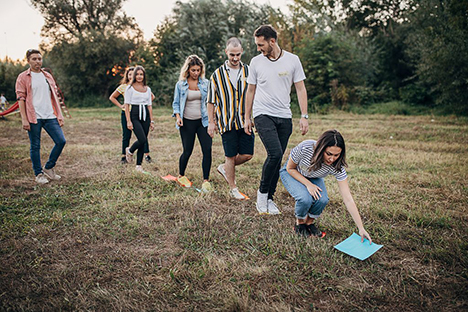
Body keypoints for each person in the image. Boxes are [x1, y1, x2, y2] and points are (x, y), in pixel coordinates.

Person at [244, 25, 310, 214]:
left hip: (284, 116)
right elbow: (250, 91)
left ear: (272, 41)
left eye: (261, 44)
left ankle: (270, 198)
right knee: (274, 153)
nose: (258, 48)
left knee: (278, 157)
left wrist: (304, 115)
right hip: (262, 113)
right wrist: (247, 117)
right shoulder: (256, 62)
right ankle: (262, 195)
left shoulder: (292, 60)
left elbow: (300, 88)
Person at [280, 130, 372, 242]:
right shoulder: (305, 147)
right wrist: (308, 185)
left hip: (313, 176)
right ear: (321, 148)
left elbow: (348, 199)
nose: (332, 159)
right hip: (293, 172)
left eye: (336, 155)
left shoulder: (337, 166)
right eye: (329, 154)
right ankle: (300, 224)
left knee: (322, 199)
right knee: (305, 198)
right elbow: (290, 168)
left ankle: (309, 223)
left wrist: (361, 228)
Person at [207, 37, 253, 200]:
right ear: (226, 52)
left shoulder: (249, 71)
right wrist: (211, 123)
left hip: (245, 121)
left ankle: (225, 168)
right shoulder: (217, 75)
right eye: (232, 55)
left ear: (242, 53)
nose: (235, 58)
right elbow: (211, 101)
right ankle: (233, 188)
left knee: (247, 154)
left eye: (238, 55)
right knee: (230, 155)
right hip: (226, 122)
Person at [15, 49, 66, 184]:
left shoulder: (47, 76)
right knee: (35, 146)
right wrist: (24, 119)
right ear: (28, 61)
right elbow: (21, 98)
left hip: (50, 115)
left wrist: (58, 114)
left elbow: (54, 96)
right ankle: (38, 174)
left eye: (39, 58)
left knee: (61, 141)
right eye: (34, 59)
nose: (37, 61)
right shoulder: (23, 77)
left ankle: (49, 167)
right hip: (34, 116)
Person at [172, 55, 212, 192]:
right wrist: (178, 117)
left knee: (207, 150)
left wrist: (213, 121)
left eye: (198, 70)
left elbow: (211, 102)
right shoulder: (180, 84)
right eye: (193, 70)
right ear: (188, 70)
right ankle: (181, 175)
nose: (196, 73)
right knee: (187, 151)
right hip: (187, 122)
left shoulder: (206, 83)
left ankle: (206, 180)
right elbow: (176, 103)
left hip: (203, 122)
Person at [109, 67, 153, 164]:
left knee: (143, 137)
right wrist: (121, 106)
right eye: (133, 74)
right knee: (127, 135)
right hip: (129, 114)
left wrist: (143, 103)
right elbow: (113, 97)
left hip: (142, 113)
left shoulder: (145, 88)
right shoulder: (126, 87)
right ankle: (125, 155)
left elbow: (150, 99)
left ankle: (143, 158)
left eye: (140, 74)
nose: (138, 76)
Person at [124, 65, 155, 173]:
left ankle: (139, 166)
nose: (139, 76)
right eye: (137, 74)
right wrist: (128, 121)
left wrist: (151, 121)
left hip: (145, 115)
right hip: (135, 115)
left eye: (141, 74)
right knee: (142, 139)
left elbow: (149, 106)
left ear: (144, 76)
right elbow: (127, 105)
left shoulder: (147, 89)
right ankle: (130, 150)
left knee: (144, 141)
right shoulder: (129, 88)